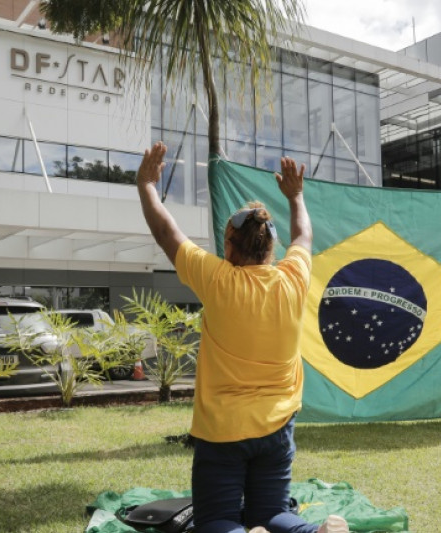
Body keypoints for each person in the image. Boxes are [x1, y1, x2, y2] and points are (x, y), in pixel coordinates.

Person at [136, 141, 348, 533]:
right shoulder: (293, 277)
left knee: (217, 521)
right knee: (272, 516)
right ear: (270, 248)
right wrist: (296, 196)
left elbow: (167, 233)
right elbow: (303, 234)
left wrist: (146, 185)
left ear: (231, 247)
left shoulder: (218, 280)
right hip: (278, 427)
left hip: (223, 431)